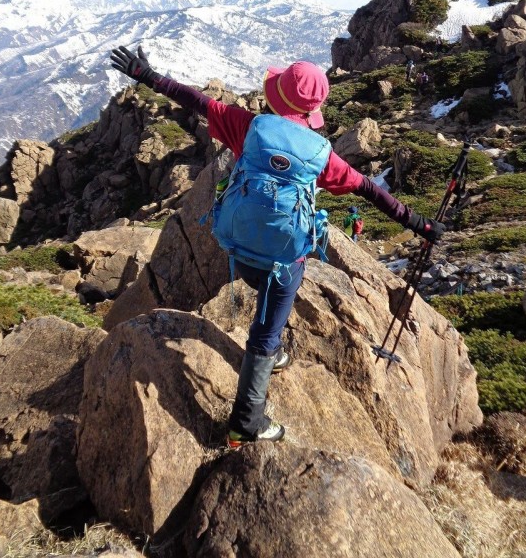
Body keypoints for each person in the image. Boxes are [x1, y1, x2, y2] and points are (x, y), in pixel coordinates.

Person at [110, 46, 445, 447]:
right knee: (265, 331)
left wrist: (146, 75)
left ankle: (273, 353)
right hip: (283, 262)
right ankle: (245, 423)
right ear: (312, 110)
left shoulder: (249, 127)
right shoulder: (322, 157)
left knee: (265, 299)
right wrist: (418, 224)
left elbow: (196, 101)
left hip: (236, 245)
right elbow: (372, 192)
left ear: (278, 96)